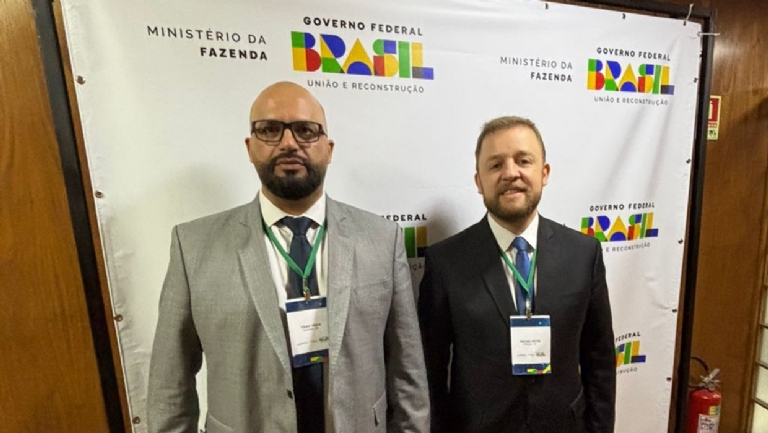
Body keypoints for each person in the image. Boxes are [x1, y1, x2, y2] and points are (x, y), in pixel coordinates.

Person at [147, 81, 429, 433]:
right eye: (270, 130)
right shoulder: (193, 246)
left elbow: (407, 370)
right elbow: (169, 386)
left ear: (328, 148)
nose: (289, 143)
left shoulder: (382, 239)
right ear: (249, 147)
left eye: (305, 130)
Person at [418, 116, 615, 433]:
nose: (511, 173)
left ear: (544, 172)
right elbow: (431, 370)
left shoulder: (583, 254)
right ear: (479, 181)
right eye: (496, 165)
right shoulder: (446, 263)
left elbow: (600, 360)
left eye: (523, 161)